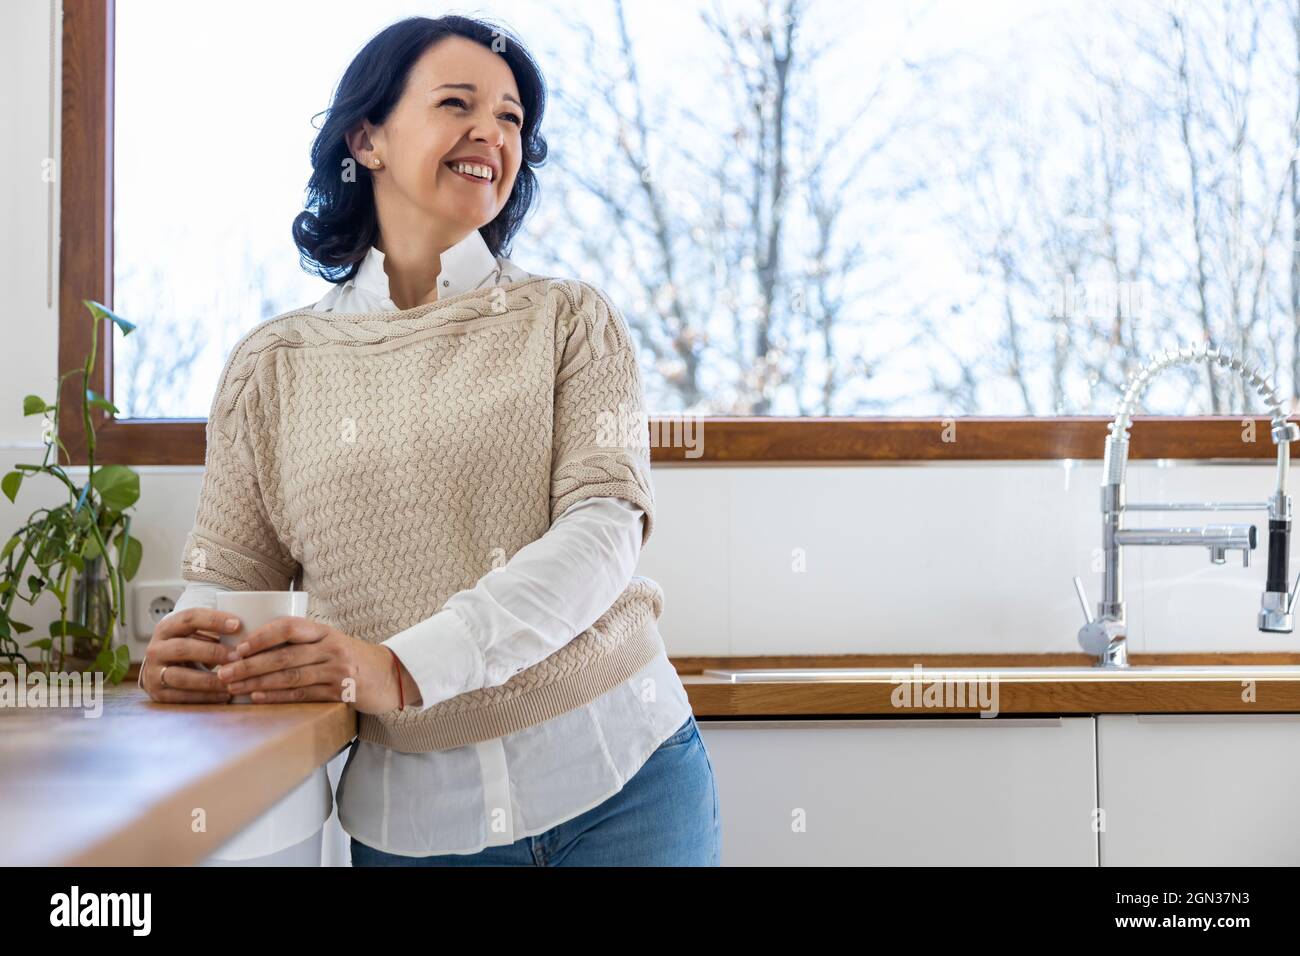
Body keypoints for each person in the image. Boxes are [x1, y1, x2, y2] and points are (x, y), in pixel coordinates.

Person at [136, 14, 720, 867]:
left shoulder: (572, 320)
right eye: (459, 103)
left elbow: (604, 535)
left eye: (513, 117)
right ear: (366, 137)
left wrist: (400, 669)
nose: (493, 132)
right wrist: (188, 651)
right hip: (419, 832)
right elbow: (233, 583)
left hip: (626, 779)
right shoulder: (273, 367)